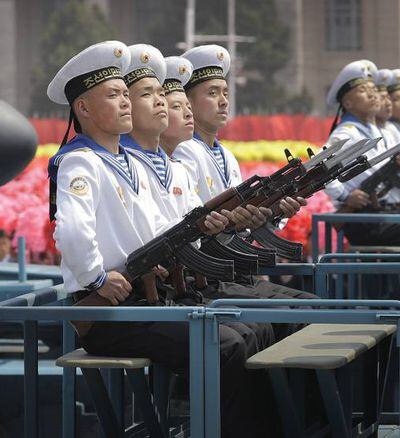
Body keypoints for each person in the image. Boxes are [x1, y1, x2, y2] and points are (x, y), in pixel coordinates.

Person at [47, 40, 278, 437]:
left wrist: (195, 235)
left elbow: (160, 226)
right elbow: (70, 229)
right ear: (82, 108)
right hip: (109, 311)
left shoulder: (129, 162)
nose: (124, 102)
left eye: (125, 94)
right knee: (225, 345)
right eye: (113, 95)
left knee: (250, 331)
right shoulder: (80, 161)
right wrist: (96, 277)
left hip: (149, 296)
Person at [172, 44, 315, 301]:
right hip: (207, 272)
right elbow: (192, 220)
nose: (224, 101)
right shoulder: (185, 152)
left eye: (225, 92)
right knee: (302, 307)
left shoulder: (225, 155)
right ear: (188, 103)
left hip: (232, 266)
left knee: (309, 304)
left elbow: (244, 220)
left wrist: (273, 212)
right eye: (212, 93)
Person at [324, 60, 400, 244]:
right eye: (363, 90)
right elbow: (320, 170)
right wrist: (345, 196)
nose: (373, 94)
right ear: (348, 103)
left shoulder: (377, 131)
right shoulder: (346, 133)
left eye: (373, 89)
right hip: (365, 221)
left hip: (383, 215)